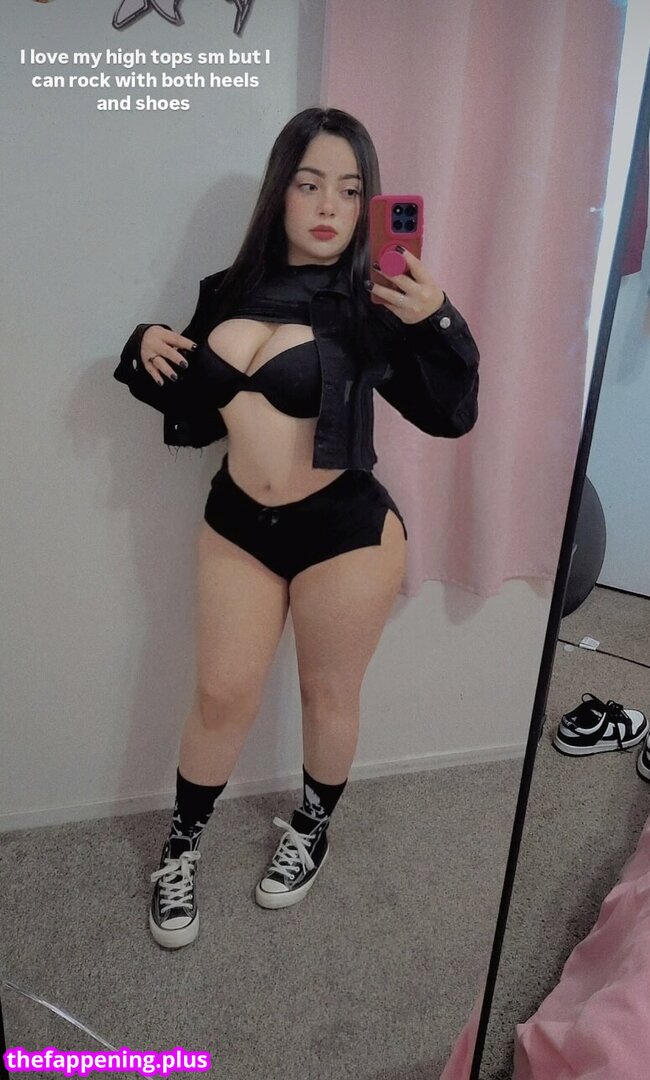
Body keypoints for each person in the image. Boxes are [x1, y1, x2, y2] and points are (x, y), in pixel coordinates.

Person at [114, 107, 480, 949]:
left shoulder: (375, 303)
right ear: (281, 191)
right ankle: (182, 846)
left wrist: (437, 319)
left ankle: (313, 827)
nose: (328, 206)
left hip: (343, 531)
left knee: (329, 694)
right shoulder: (226, 291)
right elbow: (191, 398)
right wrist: (143, 347)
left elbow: (450, 414)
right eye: (310, 183)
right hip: (239, 523)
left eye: (350, 191)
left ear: (367, 205)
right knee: (221, 694)